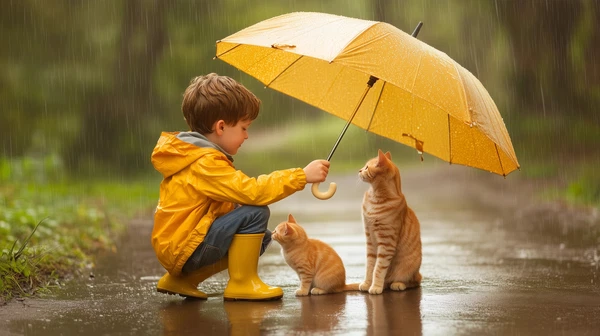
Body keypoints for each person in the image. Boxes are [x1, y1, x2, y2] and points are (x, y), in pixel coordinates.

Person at [150, 73, 330, 301]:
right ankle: (242, 283)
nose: (246, 135)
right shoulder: (205, 162)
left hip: (179, 247)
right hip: (186, 249)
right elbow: (252, 192)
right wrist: (301, 176)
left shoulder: (193, 156)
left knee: (262, 237)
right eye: (244, 128)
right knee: (256, 212)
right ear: (221, 127)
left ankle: (183, 279)